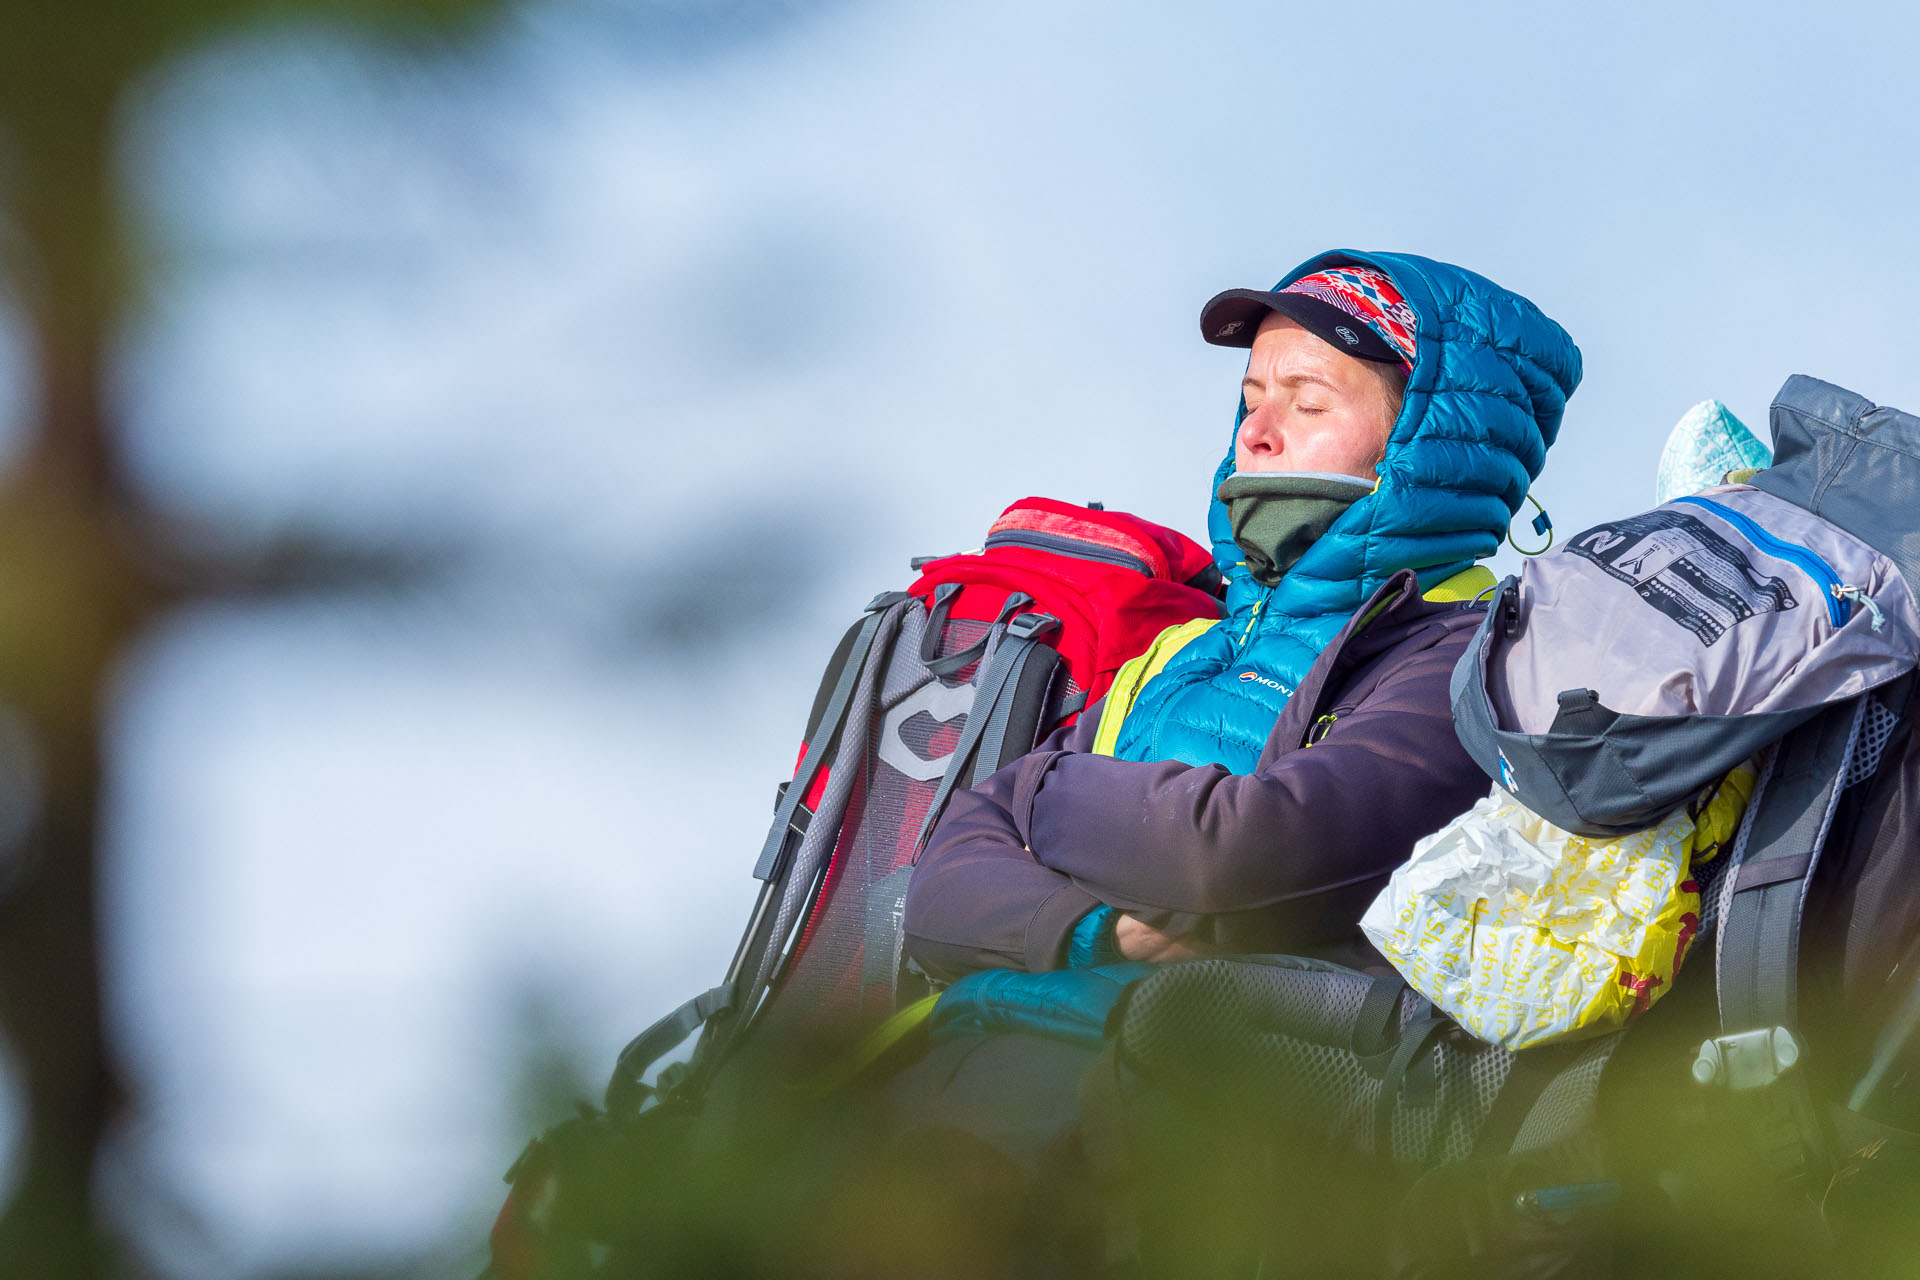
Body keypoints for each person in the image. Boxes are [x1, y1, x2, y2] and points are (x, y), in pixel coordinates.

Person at [902, 251, 1582, 983]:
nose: (1254, 434)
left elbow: (1243, 856)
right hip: (1005, 1062)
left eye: (1308, 402)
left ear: (1420, 445)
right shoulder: (1186, 647)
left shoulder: (1469, 657)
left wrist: (1032, 791)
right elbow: (939, 889)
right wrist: (1092, 931)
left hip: (1219, 1077)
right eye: (1251, 398)